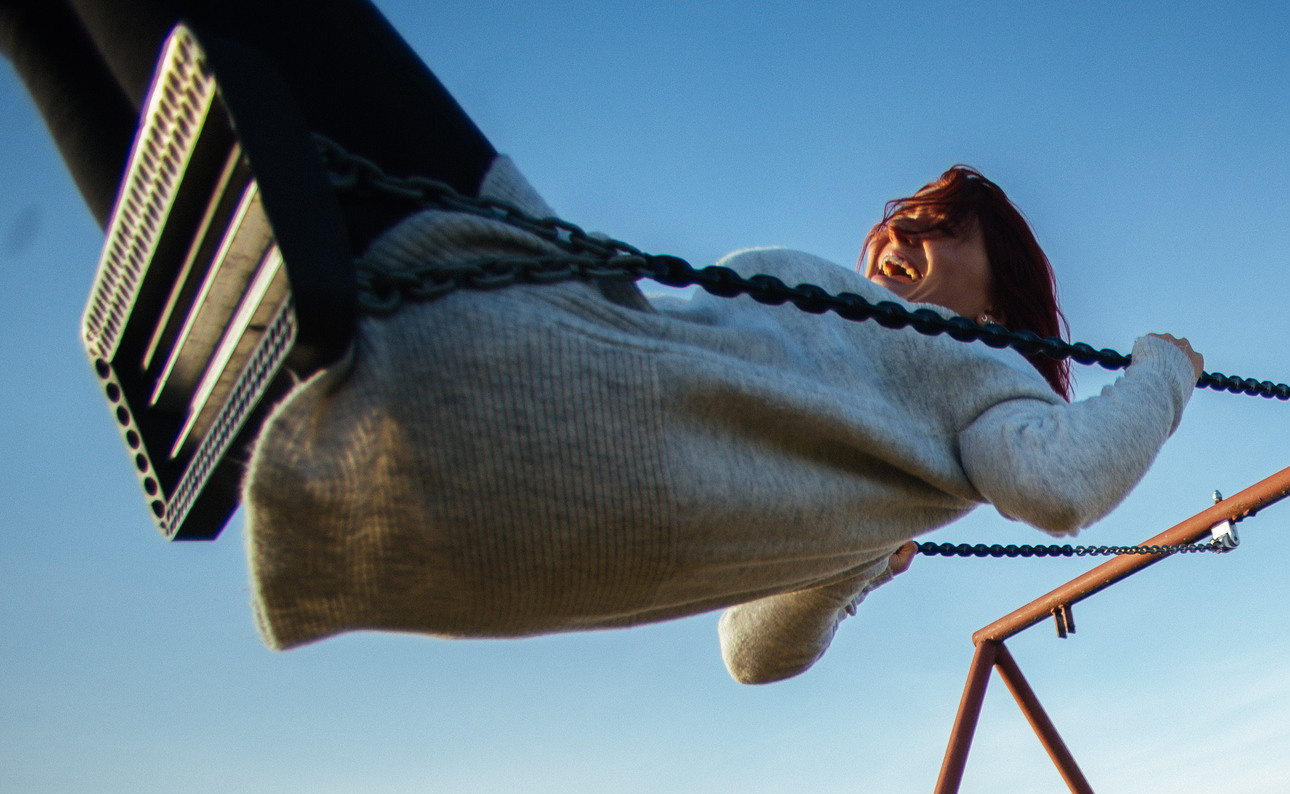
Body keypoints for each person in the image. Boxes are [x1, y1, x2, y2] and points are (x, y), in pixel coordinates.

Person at [1, 0, 1203, 683]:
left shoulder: (984, 374)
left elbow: (1056, 479)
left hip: (528, 356)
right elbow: (755, 655)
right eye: (892, 223)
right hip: (460, 493)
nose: (896, 236)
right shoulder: (873, 479)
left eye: (935, 225)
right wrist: (842, 586)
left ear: (1009, 289)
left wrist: (1165, 366)